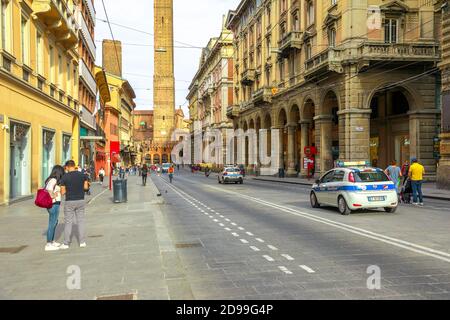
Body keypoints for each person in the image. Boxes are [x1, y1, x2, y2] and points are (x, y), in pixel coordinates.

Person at [59, 160, 90, 249]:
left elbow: (63, 192)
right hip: (80, 200)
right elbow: (85, 187)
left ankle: (66, 243)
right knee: (80, 221)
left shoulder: (65, 177)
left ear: (67, 167)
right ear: (74, 166)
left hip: (69, 201)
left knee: (68, 222)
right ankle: (82, 242)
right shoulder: (82, 175)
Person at [43, 165, 65, 251]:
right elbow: (48, 189)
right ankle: (48, 244)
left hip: (55, 204)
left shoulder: (51, 179)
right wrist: (53, 195)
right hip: (53, 204)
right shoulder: (53, 180)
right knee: (52, 223)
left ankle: (52, 241)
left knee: (55, 222)